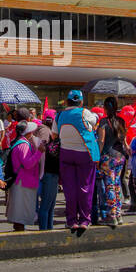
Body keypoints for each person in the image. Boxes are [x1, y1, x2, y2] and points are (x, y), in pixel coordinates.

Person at [56, 90, 100, 230]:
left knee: (70, 189)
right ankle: (85, 220)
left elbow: (54, 134)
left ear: (67, 101)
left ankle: (71, 220)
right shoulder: (84, 112)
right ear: (80, 102)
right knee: (85, 188)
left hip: (66, 153)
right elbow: (95, 121)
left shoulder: (60, 115)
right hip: (84, 154)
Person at [95, 97, 128, 226]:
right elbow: (124, 140)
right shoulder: (121, 121)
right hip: (120, 157)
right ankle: (118, 214)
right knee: (117, 185)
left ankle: (112, 214)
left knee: (109, 186)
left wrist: (97, 156)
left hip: (107, 157)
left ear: (105, 107)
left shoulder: (103, 122)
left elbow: (101, 141)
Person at [6, 121, 42, 230]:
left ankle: (19, 229)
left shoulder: (21, 143)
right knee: (21, 211)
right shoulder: (23, 145)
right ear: (29, 133)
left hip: (22, 181)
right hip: (23, 182)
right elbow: (28, 164)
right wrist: (39, 152)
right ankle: (19, 231)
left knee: (20, 210)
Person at [36, 113, 60, 231]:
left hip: (51, 172)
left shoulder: (48, 131)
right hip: (48, 172)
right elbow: (42, 150)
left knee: (50, 206)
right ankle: (44, 231)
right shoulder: (46, 132)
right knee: (46, 206)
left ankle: (49, 230)